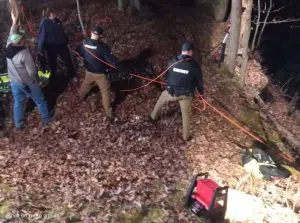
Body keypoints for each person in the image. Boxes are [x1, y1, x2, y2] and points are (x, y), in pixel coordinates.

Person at [148, 42, 204, 141]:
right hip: (186, 95)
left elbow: (166, 76)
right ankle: (186, 137)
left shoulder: (172, 62)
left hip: (171, 93)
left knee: (161, 99)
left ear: (182, 51)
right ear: (190, 52)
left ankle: (152, 117)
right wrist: (201, 93)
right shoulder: (195, 66)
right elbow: (199, 82)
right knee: (186, 114)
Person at [6, 12, 52, 129]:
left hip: (14, 83)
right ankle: (47, 120)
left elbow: (12, 32)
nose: (24, 40)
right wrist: (37, 81)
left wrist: (14, 21)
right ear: (21, 41)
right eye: (22, 39)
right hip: (27, 83)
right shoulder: (24, 54)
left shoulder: (8, 45)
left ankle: (18, 124)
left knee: (18, 103)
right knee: (40, 100)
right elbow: (32, 72)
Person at [77, 25, 119, 120]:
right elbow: (112, 60)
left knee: (87, 83)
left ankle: (80, 96)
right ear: (100, 36)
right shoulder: (102, 47)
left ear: (91, 32)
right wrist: (119, 66)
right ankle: (109, 114)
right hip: (100, 74)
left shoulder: (84, 43)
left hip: (89, 71)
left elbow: (79, 52)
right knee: (105, 91)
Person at [38, 7, 75, 77]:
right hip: (50, 47)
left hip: (61, 44)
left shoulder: (57, 20)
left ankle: (71, 73)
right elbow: (41, 36)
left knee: (68, 59)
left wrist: (66, 40)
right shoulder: (44, 23)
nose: (55, 14)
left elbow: (61, 31)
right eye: (54, 12)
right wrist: (40, 49)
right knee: (52, 62)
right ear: (50, 14)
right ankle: (53, 77)